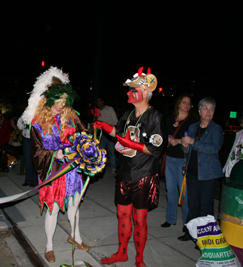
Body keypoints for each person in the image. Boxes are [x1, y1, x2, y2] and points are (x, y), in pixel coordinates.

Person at [94, 67, 167, 267]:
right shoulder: (127, 115)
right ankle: (122, 252)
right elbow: (118, 132)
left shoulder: (155, 117)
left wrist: (129, 144)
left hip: (144, 174)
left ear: (144, 93)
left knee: (140, 218)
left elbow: (156, 148)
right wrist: (104, 126)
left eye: (132, 89)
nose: (127, 92)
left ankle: (139, 258)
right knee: (122, 214)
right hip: (125, 173)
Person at [19, 66, 89, 263]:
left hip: (73, 171)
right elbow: (36, 152)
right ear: (47, 100)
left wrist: (89, 149)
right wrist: (55, 153)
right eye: (57, 101)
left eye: (63, 101)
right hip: (53, 172)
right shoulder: (38, 123)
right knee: (53, 209)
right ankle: (49, 246)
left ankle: (76, 237)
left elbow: (84, 137)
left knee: (74, 206)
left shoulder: (72, 117)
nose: (60, 105)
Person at [178, 97, 223, 242]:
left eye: (211, 109)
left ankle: (205, 238)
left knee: (206, 207)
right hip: (192, 172)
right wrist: (185, 146)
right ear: (199, 111)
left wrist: (193, 142)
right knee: (193, 205)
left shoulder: (216, 129)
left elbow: (214, 148)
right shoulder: (193, 127)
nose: (208, 112)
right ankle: (190, 233)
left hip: (208, 175)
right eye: (205, 108)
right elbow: (187, 149)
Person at [161, 93, 197, 231]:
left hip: (183, 159)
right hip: (169, 158)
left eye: (188, 103)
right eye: (184, 102)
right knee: (170, 190)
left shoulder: (192, 121)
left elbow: (193, 140)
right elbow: (163, 134)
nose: (186, 105)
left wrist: (178, 141)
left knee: (184, 192)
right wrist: (168, 140)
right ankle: (170, 219)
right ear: (178, 104)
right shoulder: (169, 118)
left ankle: (187, 223)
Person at [96, 96, 118, 173]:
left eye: (99, 101)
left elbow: (115, 121)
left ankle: (113, 167)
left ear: (103, 101)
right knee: (101, 152)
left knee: (111, 151)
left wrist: (116, 132)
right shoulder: (97, 111)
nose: (98, 103)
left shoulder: (109, 109)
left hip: (109, 134)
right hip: (101, 134)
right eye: (97, 101)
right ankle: (100, 168)